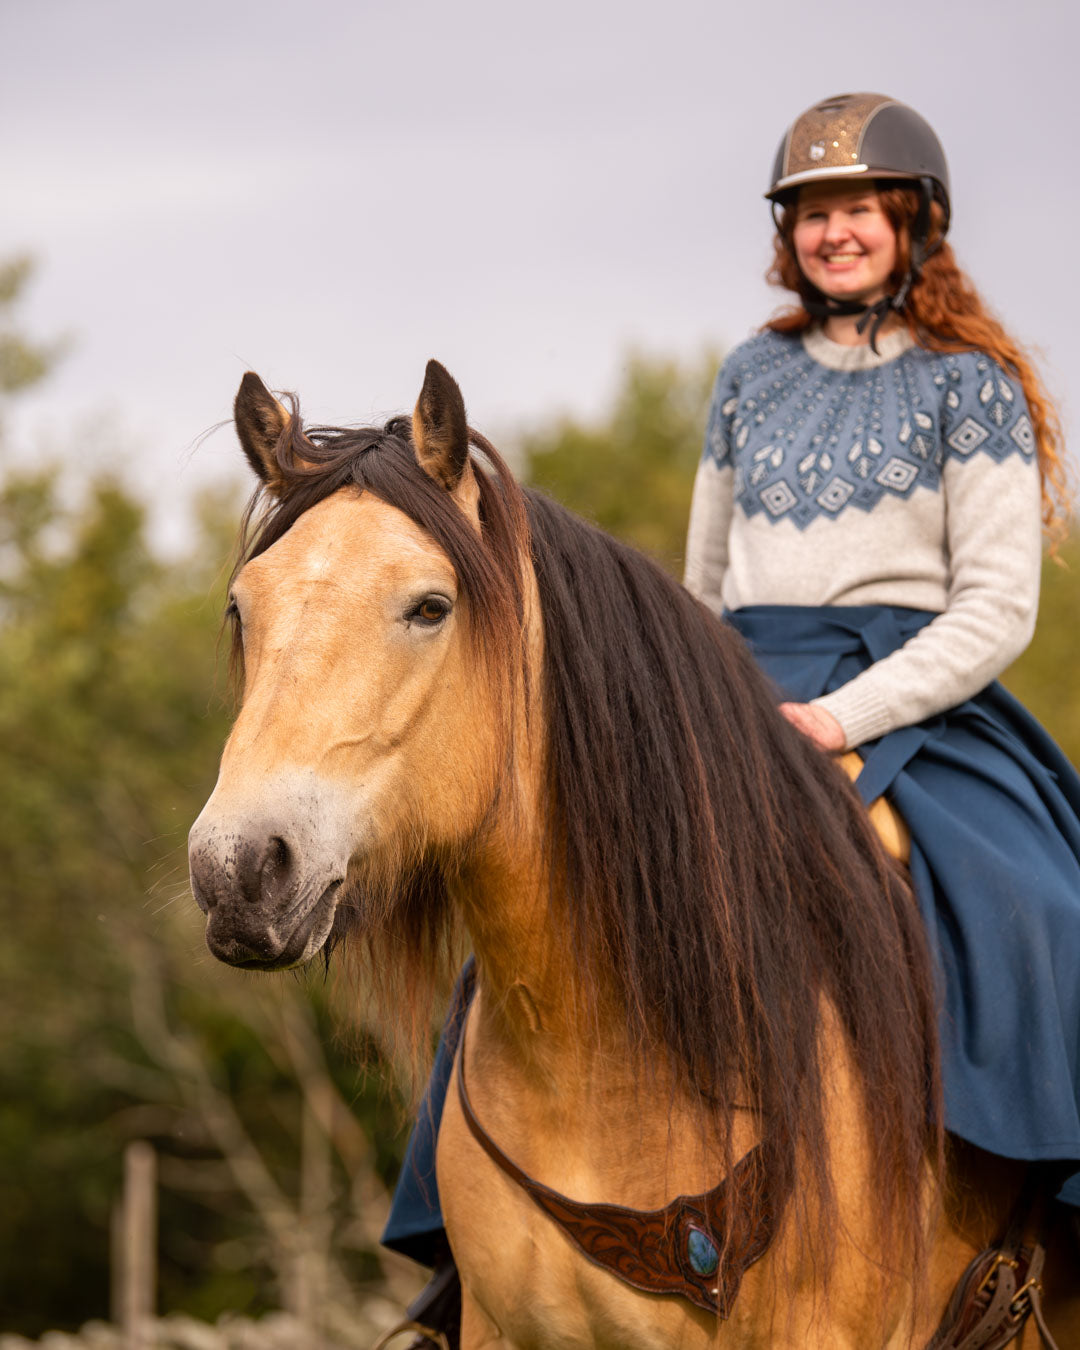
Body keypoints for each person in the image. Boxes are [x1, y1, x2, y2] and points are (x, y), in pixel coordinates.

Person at [684, 91, 1080, 1214]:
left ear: (913, 220)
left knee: (1045, 911)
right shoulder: (747, 377)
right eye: (810, 212)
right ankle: (474, 1265)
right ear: (786, 234)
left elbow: (998, 610)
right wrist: (694, 709)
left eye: (858, 206)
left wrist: (843, 718)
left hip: (915, 698)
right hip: (741, 689)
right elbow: (701, 584)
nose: (834, 232)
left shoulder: (973, 381)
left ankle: (1043, 1231)